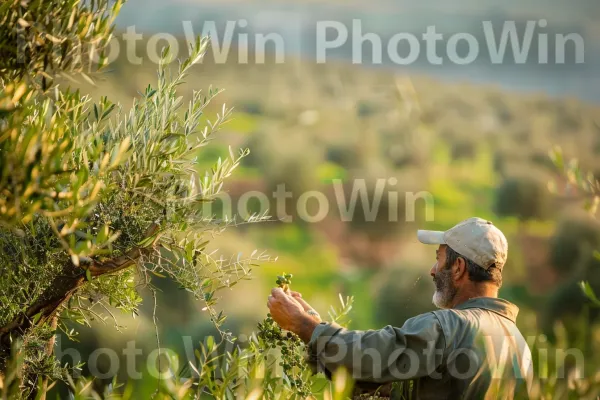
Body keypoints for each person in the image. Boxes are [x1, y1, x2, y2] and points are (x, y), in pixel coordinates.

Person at [267, 217, 533, 399]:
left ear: (459, 268)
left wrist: (301, 325)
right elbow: (380, 379)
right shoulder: (521, 348)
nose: (432, 270)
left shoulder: (448, 326)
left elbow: (372, 356)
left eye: (438, 259)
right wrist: (315, 324)